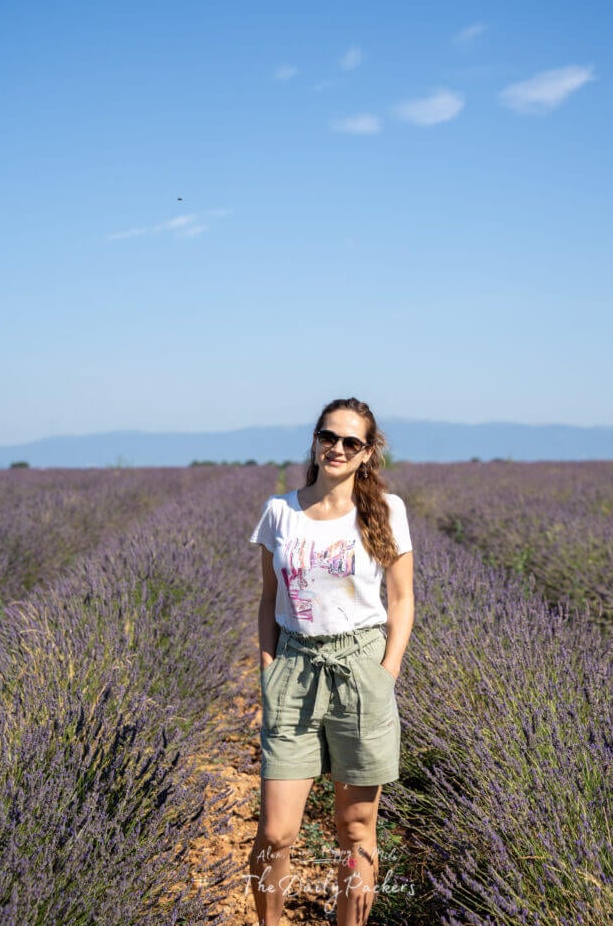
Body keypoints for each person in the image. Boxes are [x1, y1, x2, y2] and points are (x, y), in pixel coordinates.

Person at [247, 397, 415, 926]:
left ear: (368, 453)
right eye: (328, 437)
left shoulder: (386, 510)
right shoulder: (281, 511)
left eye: (351, 442)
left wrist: (385, 676)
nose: (337, 448)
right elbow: (267, 597)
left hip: (360, 666)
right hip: (295, 667)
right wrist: (269, 667)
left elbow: (403, 599)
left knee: (357, 828)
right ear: (315, 442)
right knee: (276, 833)